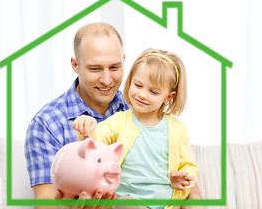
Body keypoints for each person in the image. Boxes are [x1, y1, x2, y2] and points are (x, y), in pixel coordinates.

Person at [24, 23, 203, 209]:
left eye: (114, 67)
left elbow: (188, 185)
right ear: (75, 65)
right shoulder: (46, 124)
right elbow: (47, 204)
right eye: (95, 69)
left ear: (124, 61)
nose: (107, 80)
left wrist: (192, 199)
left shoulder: (141, 108)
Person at [73, 48, 199, 209]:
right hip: (127, 201)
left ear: (168, 97)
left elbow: (189, 166)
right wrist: (86, 127)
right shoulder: (120, 121)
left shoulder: (177, 129)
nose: (142, 95)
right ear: (130, 81)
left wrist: (185, 176)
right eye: (138, 85)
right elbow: (97, 138)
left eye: (153, 91)